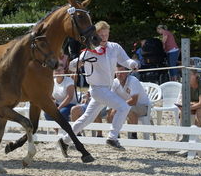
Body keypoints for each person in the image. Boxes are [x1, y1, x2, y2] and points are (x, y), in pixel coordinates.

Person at [57, 21, 139, 155]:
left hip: (107, 88)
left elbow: (125, 60)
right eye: (101, 34)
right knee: (124, 107)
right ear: (96, 35)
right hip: (97, 89)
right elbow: (72, 66)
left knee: (87, 118)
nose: (104, 37)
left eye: (106, 34)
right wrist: (79, 63)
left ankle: (65, 141)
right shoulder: (90, 50)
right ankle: (112, 138)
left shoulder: (114, 47)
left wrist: (133, 64)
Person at [107, 64, 150, 139]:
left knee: (129, 109)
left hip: (143, 106)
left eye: (122, 72)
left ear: (127, 72)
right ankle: (115, 135)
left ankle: (134, 135)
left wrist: (118, 107)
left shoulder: (133, 80)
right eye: (117, 72)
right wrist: (113, 108)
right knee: (109, 111)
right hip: (126, 105)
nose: (119, 74)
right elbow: (112, 98)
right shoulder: (115, 82)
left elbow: (134, 101)